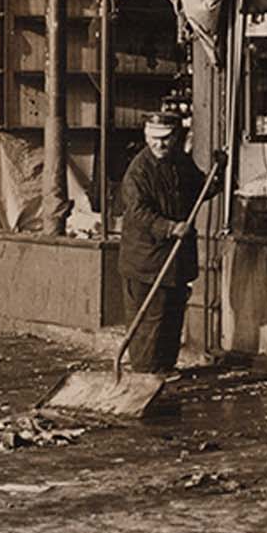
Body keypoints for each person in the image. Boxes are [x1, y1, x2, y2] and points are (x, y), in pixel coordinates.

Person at [115, 112, 210, 384]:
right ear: (146, 137)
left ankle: (165, 370)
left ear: (176, 138)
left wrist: (216, 176)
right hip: (145, 261)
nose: (160, 145)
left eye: (166, 139)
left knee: (171, 316)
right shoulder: (138, 171)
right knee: (149, 321)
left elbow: (198, 188)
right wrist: (170, 227)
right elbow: (138, 212)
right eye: (154, 139)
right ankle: (144, 375)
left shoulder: (180, 162)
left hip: (174, 259)